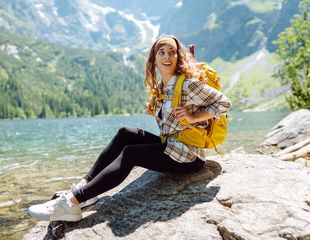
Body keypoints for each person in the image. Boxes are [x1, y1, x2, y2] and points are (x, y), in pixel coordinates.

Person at [28, 35, 232, 222]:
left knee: (130, 154)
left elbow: (223, 103)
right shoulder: (163, 88)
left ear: (180, 57)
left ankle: (71, 204)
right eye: (161, 52)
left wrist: (194, 116)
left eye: (172, 52)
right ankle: (85, 189)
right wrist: (158, 113)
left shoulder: (188, 84)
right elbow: (172, 124)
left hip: (188, 156)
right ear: (154, 59)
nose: (167, 56)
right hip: (172, 146)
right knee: (126, 133)